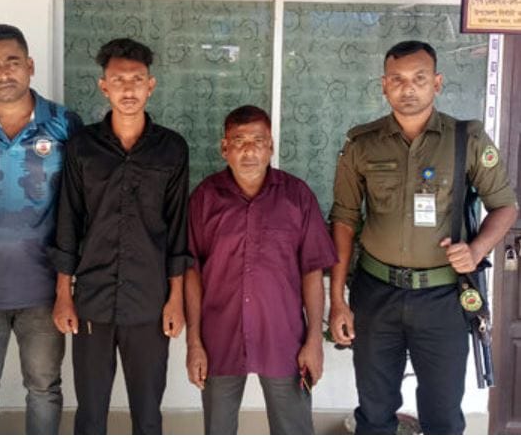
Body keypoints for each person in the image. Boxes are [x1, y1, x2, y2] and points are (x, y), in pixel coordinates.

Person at [329, 40, 518, 434]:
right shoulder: (362, 145)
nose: (408, 88)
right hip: (375, 293)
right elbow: (344, 220)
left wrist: (476, 249)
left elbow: (505, 207)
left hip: (443, 298)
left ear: (437, 83)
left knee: (442, 414)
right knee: (374, 412)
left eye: (418, 78)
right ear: (384, 85)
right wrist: (337, 301)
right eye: (397, 79)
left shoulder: (467, 140)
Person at [50, 37, 191, 434]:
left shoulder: (171, 149)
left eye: (137, 79)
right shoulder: (82, 147)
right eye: (118, 80)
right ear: (103, 86)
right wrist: (64, 294)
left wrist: (176, 299)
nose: (128, 89)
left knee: (148, 413)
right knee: (90, 413)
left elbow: (178, 228)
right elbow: (68, 220)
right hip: (92, 299)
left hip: (149, 301)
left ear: (151, 85)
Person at [0, 24, 81, 434]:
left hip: (45, 288)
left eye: (12, 61)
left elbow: (79, 201)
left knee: (44, 387)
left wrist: (68, 283)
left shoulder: (63, 124)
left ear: (30, 65)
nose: (4, 72)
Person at [184, 105, 337, 434]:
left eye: (258, 140)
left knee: (294, 429)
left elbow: (312, 271)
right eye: (239, 141)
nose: (249, 150)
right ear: (224, 148)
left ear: (271, 146)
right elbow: (192, 273)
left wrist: (314, 340)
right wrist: (193, 343)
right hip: (219, 339)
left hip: (284, 338)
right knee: (218, 429)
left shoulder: (297, 197)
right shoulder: (204, 199)